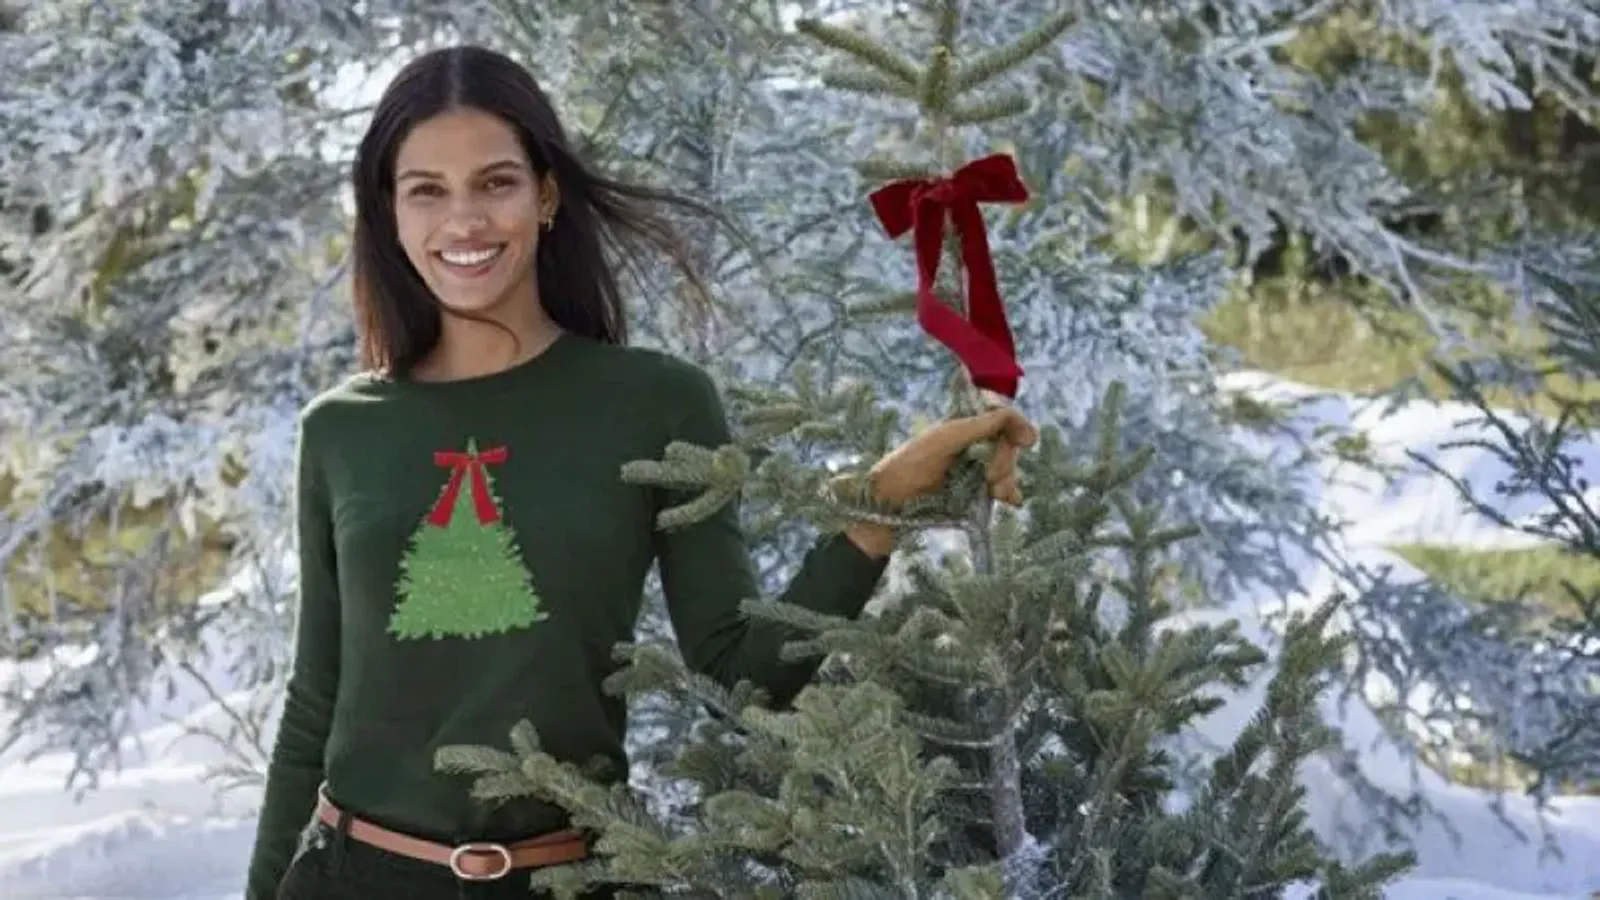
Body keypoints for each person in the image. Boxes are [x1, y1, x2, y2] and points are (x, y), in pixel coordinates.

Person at [245, 44, 1037, 900]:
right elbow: (313, 704)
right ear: (389, 214)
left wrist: (878, 509)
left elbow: (744, 674)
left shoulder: (654, 403)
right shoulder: (342, 431)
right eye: (426, 190)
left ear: (546, 195)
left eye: (496, 182)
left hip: (575, 879)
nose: (463, 220)